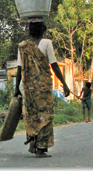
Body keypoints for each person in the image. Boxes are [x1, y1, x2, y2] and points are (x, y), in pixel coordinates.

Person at [14, 18, 70, 158]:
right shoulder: (47, 43)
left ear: (30, 31)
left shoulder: (22, 46)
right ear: (43, 30)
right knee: (45, 116)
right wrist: (64, 83)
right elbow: (54, 65)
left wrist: (16, 88)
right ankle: (40, 148)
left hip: (29, 88)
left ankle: (34, 141)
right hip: (43, 87)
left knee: (32, 115)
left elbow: (19, 69)